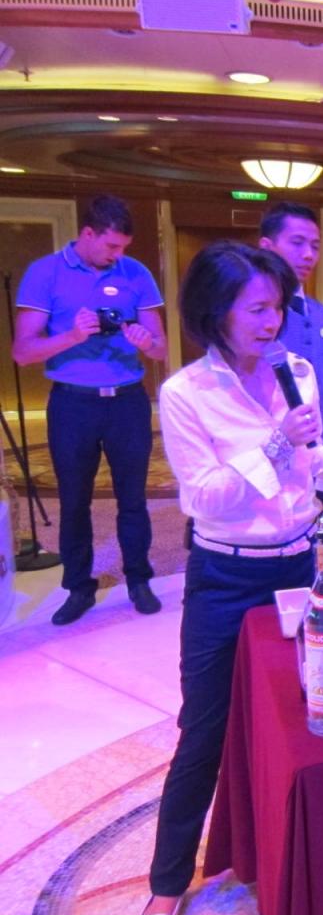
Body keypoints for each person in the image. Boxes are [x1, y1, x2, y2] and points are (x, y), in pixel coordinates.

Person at [139, 242, 323, 915]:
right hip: (226, 575)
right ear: (216, 310)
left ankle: (298, 854)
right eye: (258, 309)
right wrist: (276, 441)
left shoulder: (294, 369)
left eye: (278, 307)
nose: (273, 321)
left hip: (300, 567)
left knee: (310, 710)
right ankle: (167, 881)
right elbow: (204, 497)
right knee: (204, 729)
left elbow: (306, 465)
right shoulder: (186, 393)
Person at [13, 194, 167, 624]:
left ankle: (139, 580)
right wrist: (72, 336)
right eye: (112, 246)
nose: (118, 255)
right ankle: (79, 588)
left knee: (132, 499)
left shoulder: (136, 273)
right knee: (74, 501)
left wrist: (146, 342)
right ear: (87, 233)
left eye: (124, 247)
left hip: (128, 402)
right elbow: (22, 352)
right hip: (72, 404)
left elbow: (160, 348)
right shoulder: (44, 272)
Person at [259, 202, 323, 447]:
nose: (308, 255)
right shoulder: (246, 317)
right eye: (297, 243)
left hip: (319, 451)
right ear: (267, 247)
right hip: (262, 450)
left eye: (315, 246)